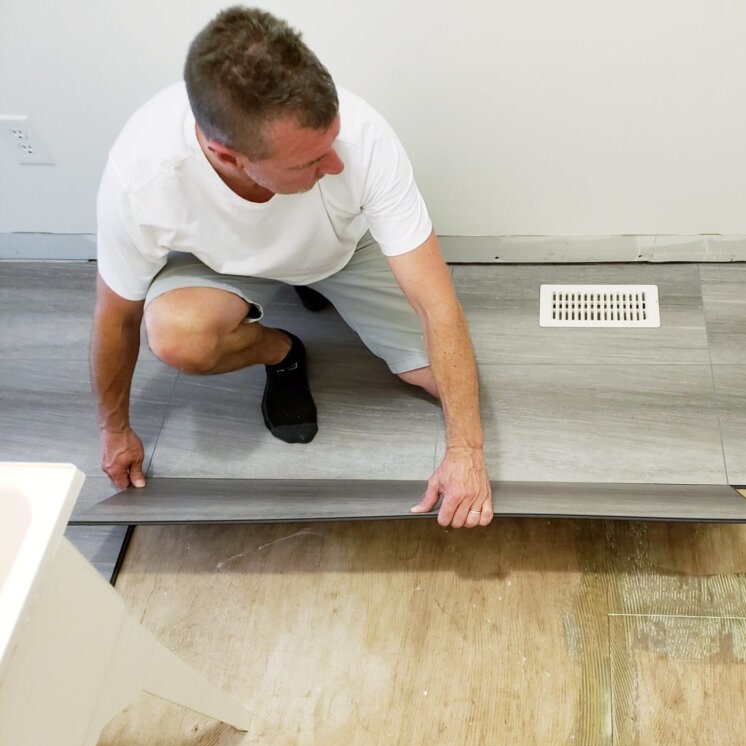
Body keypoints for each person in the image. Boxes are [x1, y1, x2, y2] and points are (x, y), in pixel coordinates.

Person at [90, 6, 493, 528]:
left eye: (332, 141)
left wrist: (466, 452)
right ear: (227, 156)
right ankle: (281, 349)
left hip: (343, 249)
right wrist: (115, 430)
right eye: (309, 162)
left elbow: (437, 306)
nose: (336, 164)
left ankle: (317, 281)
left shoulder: (364, 138)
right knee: (177, 338)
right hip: (227, 263)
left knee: (450, 379)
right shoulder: (142, 177)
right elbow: (115, 319)